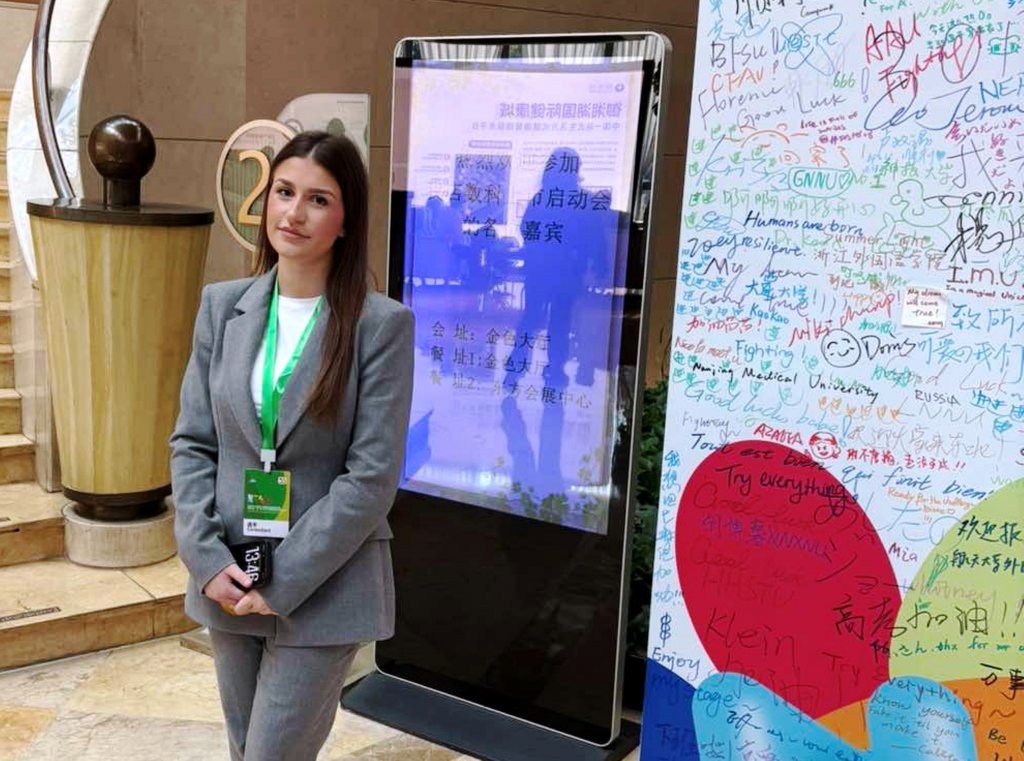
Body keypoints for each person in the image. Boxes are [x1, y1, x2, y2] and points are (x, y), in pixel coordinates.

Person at [170, 131, 414, 761]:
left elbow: (370, 479)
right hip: (232, 570)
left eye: (318, 199)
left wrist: (283, 582)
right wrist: (205, 557)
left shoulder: (380, 326)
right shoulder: (222, 307)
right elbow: (193, 442)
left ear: (346, 220)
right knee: (244, 746)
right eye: (284, 192)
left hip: (326, 582)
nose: (294, 212)